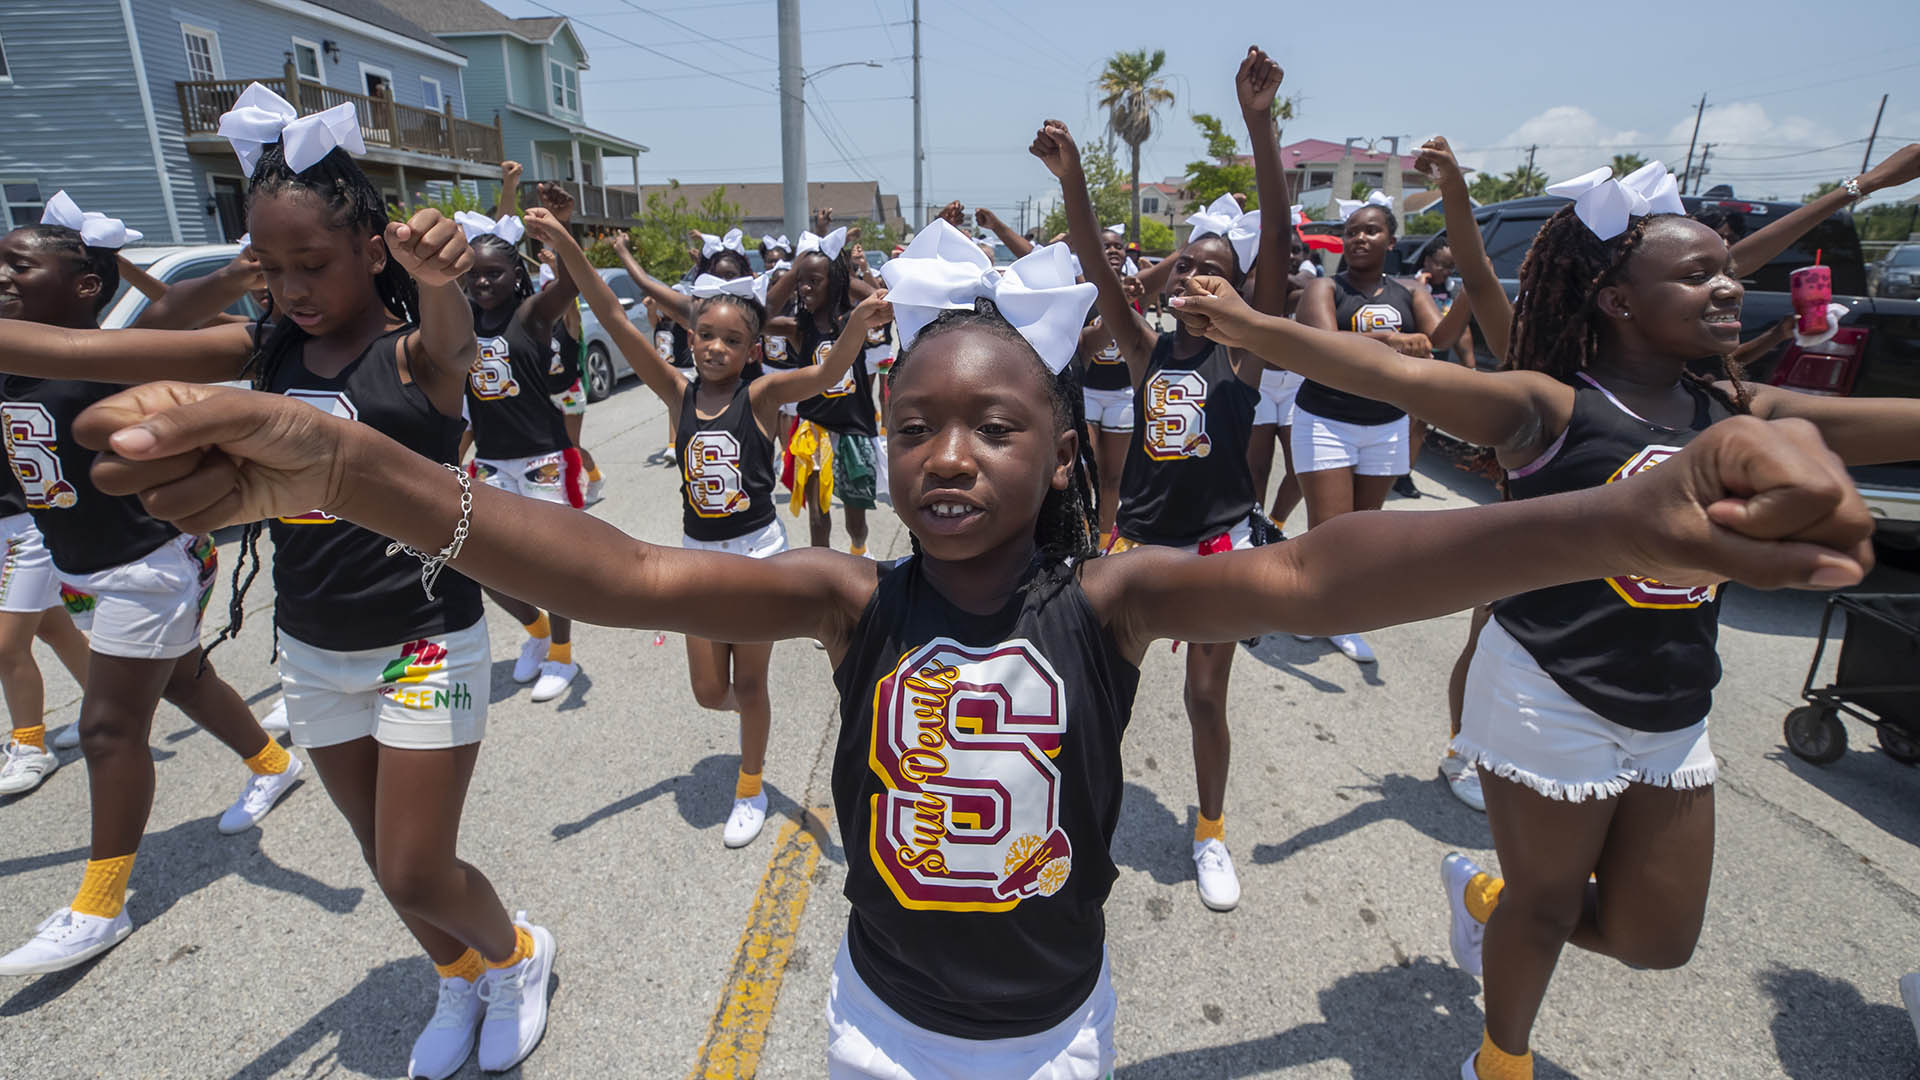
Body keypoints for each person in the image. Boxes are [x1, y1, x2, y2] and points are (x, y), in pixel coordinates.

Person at [79, 225, 1873, 1080]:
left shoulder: (1113, 604)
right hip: (871, 1024)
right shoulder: (844, 602)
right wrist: (358, 469)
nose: (949, 455)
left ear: (1065, 455)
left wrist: (1610, 526)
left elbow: (1336, 580)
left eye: (997, 427)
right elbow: (620, 567)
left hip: (1062, 1030)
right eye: (916, 423)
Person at [1167, 155, 1920, 1080]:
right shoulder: (1547, 407)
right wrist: (1250, 324)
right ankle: (1499, 1058)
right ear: (1615, 302)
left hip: (1677, 704)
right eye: (1698, 274)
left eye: (1729, 270)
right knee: (1551, 907)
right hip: (1548, 690)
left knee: (1658, 941)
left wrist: (1852, 192)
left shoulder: (1737, 408)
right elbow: (1381, 371)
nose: (1731, 284)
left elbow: (1898, 421)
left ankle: (1479, 895)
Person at [0, 87, 556, 1077]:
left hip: (427, 637)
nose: (293, 288)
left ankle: (514, 957)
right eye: (272, 267)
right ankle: (456, 971)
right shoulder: (262, 350)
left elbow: (456, 349)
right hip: (309, 644)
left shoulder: (413, 353)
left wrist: (438, 280)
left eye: (315, 264)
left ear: (371, 250)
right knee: (377, 851)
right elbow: (83, 350)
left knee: (413, 860)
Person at [0, 196, 298, 977]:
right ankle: (272, 762)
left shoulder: (106, 356)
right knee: (187, 684)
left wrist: (240, 272)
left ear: (84, 288)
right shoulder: (10, 362)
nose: (1, 276)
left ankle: (100, 904)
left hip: (145, 567)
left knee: (106, 730)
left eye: (19, 265)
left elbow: (170, 312)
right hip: (75, 566)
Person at [531, 207, 885, 849]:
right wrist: (564, 246)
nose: (715, 347)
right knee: (707, 691)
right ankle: (754, 722)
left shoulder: (762, 396)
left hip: (757, 555)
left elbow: (828, 376)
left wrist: (858, 324)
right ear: (690, 338)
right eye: (705, 335)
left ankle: (750, 785)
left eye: (730, 340)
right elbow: (612, 313)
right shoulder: (676, 391)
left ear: (751, 349)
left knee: (750, 684)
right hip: (697, 556)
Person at [1033, 46, 1292, 912]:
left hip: (1217, 545)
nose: (1196, 274)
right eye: (1186, 263)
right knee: (1101, 687)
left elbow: (1280, 251)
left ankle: (1211, 832)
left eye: (1216, 265)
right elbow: (1097, 265)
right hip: (1138, 544)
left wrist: (1259, 125)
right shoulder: (1143, 352)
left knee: (1207, 695)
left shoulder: (1248, 356)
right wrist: (1073, 178)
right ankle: (1079, 812)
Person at [1289, 193, 1470, 665]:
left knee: (1364, 530)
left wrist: (1474, 289)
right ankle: (1309, 609)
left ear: (1391, 240)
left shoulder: (1410, 290)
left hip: (1386, 422)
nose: (1359, 238)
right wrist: (1389, 340)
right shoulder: (1325, 288)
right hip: (1327, 419)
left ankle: (1340, 618)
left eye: (1371, 230)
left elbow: (1441, 337)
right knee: (1330, 530)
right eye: (1352, 231)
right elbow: (1326, 344)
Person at [455, 187, 585, 705]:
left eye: (494, 273)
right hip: (488, 459)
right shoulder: (458, 317)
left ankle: (562, 654)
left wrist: (560, 231)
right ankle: (534, 632)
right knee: (481, 560)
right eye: (475, 273)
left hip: (541, 458)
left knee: (550, 562)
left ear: (516, 276)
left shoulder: (532, 315)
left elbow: (574, 282)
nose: (483, 281)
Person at [0, 464, 93, 794]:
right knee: (53, 627)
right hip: (12, 527)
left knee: (6, 645)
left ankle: (30, 745)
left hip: (23, 526)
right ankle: (105, 705)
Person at [1395, 238, 1476, 499]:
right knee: (1403, 422)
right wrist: (1420, 289)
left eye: (1452, 267)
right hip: (1409, 366)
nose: (1447, 271)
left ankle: (1403, 474)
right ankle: (1385, 469)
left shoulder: (1452, 291)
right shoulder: (1407, 286)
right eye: (1443, 265)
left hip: (1438, 366)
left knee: (1421, 425)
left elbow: (1462, 329)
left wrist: (1469, 367)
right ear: (1427, 261)